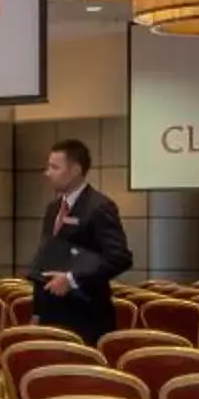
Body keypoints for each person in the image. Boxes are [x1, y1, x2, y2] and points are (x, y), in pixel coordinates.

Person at [29, 139, 131, 343]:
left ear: (75, 170)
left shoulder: (100, 207)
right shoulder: (53, 208)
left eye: (54, 167)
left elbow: (120, 258)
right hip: (51, 315)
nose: (47, 173)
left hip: (86, 317)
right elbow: (45, 258)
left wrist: (72, 279)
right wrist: (37, 312)